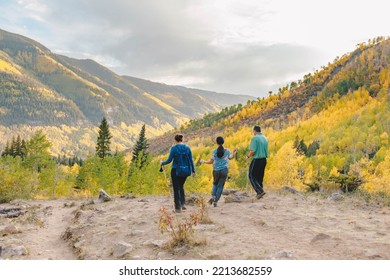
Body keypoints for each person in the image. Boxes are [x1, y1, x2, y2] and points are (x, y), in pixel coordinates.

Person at [161, 134, 195, 213]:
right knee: (181, 186)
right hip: (186, 170)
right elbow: (191, 160)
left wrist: (162, 163)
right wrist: (193, 171)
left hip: (176, 170)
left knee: (176, 188)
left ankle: (177, 208)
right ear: (182, 139)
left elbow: (169, 160)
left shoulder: (174, 148)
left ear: (175, 140)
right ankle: (183, 204)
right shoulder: (187, 148)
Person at [199, 136, 237, 207]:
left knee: (215, 184)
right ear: (223, 142)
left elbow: (211, 161)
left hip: (216, 170)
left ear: (216, 143)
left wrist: (204, 161)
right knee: (220, 186)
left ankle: (213, 196)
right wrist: (234, 151)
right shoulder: (227, 151)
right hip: (224, 171)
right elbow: (231, 157)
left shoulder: (214, 151)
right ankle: (216, 201)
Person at [245, 125, 268, 199]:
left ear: (255, 131)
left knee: (251, 175)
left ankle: (260, 191)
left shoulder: (255, 138)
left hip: (257, 159)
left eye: (253, 131)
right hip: (264, 159)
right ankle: (260, 193)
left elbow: (252, 151)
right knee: (259, 177)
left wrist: (248, 156)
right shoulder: (265, 138)